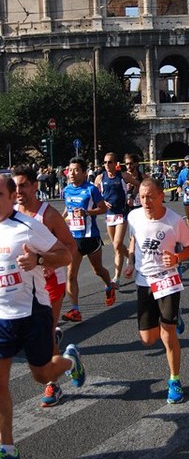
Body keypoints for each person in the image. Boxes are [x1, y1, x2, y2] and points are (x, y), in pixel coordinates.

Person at [0, 175, 85, 459]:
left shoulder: (28, 226)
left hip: (32, 314)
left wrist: (37, 260)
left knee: (42, 375)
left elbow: (65, 255)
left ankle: (70, 359)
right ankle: (8, 448)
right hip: (1, 319)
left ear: (11, 198)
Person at [125, 177, 189, 404]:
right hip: (143, 280)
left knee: (168, 334)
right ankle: (174, 318)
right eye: (142, 197)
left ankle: (174, 380)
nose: (145, 201)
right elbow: (134, 239)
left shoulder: (174, 221)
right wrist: (129, 262)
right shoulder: (133, 216)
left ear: (161, 196)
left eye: (150, 197)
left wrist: (177, 257)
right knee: (147, 339)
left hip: (167, 279)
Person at [12, 166, 78, 408]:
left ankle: (53, 385)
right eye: (15, 186)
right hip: (22, 284)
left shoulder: (48, 215)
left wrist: (48, 263)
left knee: (45, 331)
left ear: (35, 186)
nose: (18, 191)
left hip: (51, 281)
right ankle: (66, 355)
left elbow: (70, 246)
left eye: (23, 185)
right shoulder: (12, 214)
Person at [63, 156, 115, 322]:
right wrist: (60, 218)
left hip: (90, 237)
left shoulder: (91, 189)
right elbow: (68, 206)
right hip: (74, 239)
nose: (72, 173)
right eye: (70, 170)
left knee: (98, 270)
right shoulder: (67, 190)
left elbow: (102, 209)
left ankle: (109, 286)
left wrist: (86, 213)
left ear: (84, 173)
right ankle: (75, 310)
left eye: (76, 170)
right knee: (71, 275)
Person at [95, 152, 137, 288]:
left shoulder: (123, 176)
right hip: (109, 215)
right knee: (116, 246)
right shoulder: (100, 178)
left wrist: (131, 195)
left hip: (121, 214)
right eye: (105, 162)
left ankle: (116, 278)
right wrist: (101, 202)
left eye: (110, 162)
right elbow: (94, 194)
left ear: (116, 164)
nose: (107, 165)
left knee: (118, 245)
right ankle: (132, 259)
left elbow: (139, 184)